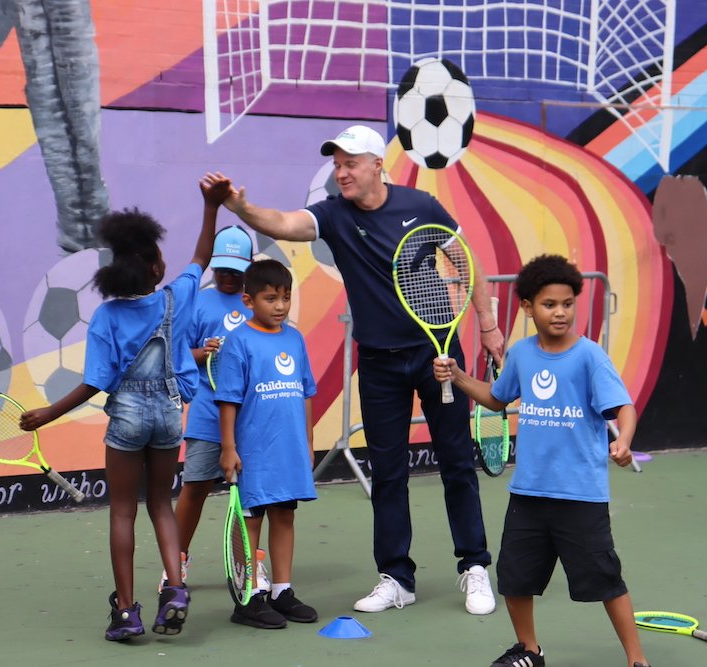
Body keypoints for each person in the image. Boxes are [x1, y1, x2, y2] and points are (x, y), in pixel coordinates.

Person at [211, 124, 503, 615]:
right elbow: (282, 222)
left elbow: (464, 259)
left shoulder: (422, 208)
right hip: (379, 363)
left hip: (438, 355)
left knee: (456, 463)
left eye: (350, 164)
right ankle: (396, 579)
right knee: (387, 473)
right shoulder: (333, 216)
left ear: (375, 166)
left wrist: (489, 325)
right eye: (337, 164)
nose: (341, 172)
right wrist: (239, 207)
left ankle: (474, 568)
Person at [19, 175, 232, 641]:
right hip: (169, 415)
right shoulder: (177, 296)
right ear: (156, 269)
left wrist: (45, 415)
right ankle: (175, 590)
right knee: (161, 504)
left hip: (128, 417)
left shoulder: (106, 316)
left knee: (122, 511)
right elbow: (202, 256)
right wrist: (211, 205)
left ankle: (126, 613)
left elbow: (95, 383)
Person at [434, 255, 651, 667]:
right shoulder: (521, 355)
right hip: (529, 493)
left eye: (568, 303)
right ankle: (530, 651)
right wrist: (458, 376)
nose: (561, 312)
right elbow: (497, 399)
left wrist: (624, 439)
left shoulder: (589, 357)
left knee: (606, 581)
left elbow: (624, 407)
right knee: (515, 580)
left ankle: (637, 660)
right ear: (528, 307)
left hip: (580, 495)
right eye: (550, 304)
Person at [215, 258, 319, 629]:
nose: (280, 306)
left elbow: (306, 391)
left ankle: (281, 591)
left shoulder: (295, 338)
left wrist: (308, 440)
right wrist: (229, 447)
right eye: (271, 298)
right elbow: (228, 399)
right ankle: (248, 596)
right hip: (253, 452)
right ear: (248, 301)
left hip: (288, 450)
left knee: (285, 516)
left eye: (286, 298)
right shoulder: (239, 342)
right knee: (251, 522)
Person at [168, 225, 270, 593]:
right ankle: (175, 563)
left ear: (249, 266)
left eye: (235, 270)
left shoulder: (258, 302)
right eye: (221, 269)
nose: (227, 277)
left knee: (252, 495)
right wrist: (202, 352)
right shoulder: (197, 303)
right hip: (208, 414)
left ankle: (249, 566)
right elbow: (175, 356)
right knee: (194, 488)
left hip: (253, 416)